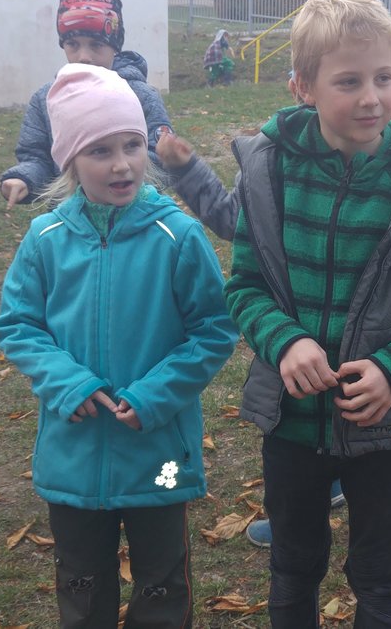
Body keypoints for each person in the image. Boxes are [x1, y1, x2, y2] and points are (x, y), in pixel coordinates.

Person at [181, 0, 391, 627]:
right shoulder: (269, 173)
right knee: (293, 563)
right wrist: (286, 341)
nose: (372, 98)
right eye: (349, 81)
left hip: (384, 424)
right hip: (292, 421)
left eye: (384, 77)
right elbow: (245, 286)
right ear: (303, 87)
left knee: (379, 570)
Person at [0, 63, 238, 628]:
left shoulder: (178, 235)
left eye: (132, 145)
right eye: (100, 150)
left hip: (160, 454)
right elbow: (17, 324)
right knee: (80, 583)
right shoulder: (45, 239)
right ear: (69, 160)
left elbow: (214, 328)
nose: (122, 164)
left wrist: (155, 395)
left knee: (163, 581)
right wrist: (66, 382)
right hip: (72, 454)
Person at [157, 67, 346, 550]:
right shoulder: (269, 160)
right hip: (288, 328)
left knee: (347, 404)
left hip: (356, 331)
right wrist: (188, 170)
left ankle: (338, 479)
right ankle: (303, 504)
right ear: (301, 88)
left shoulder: (369, 153)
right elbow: (233, 219)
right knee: (297, 419)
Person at [0, 0, 172, 207]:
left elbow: (163, 156)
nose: (83, 56)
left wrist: (115, 180)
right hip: (70, 221)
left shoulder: (142, 96)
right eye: (73, 44)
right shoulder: (46, 100)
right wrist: (24, 178)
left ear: (115, 46)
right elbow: (36, 156)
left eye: (96, 45)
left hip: (134, 217)